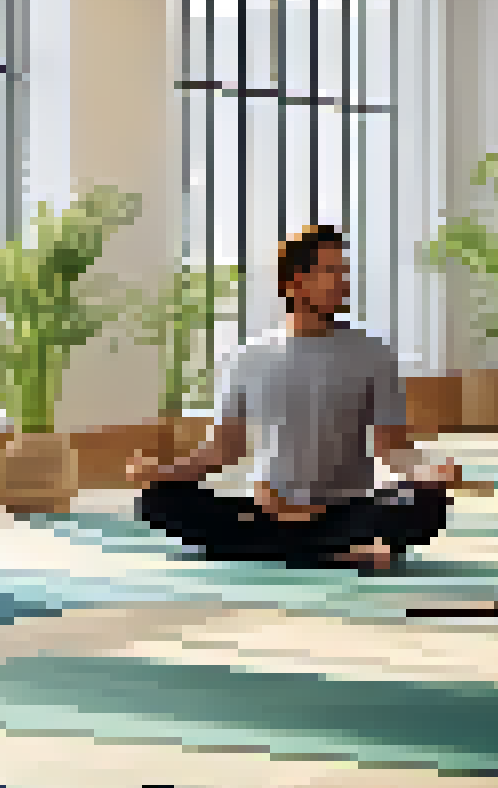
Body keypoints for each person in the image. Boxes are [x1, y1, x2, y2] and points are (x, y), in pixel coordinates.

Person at [123, 225, 461, 572]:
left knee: (427, 504)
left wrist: (428, 471)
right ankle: (329, 554)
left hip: (346, 511)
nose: (343, 282)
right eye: (331, 272)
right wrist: (163, 472)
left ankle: (281, 551)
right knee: (157, 500)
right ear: (294, 283)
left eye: (344, 271)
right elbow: (221, 451)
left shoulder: (374, 354)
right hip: (268, 509)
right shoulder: (248, 357)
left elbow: (393, 449)